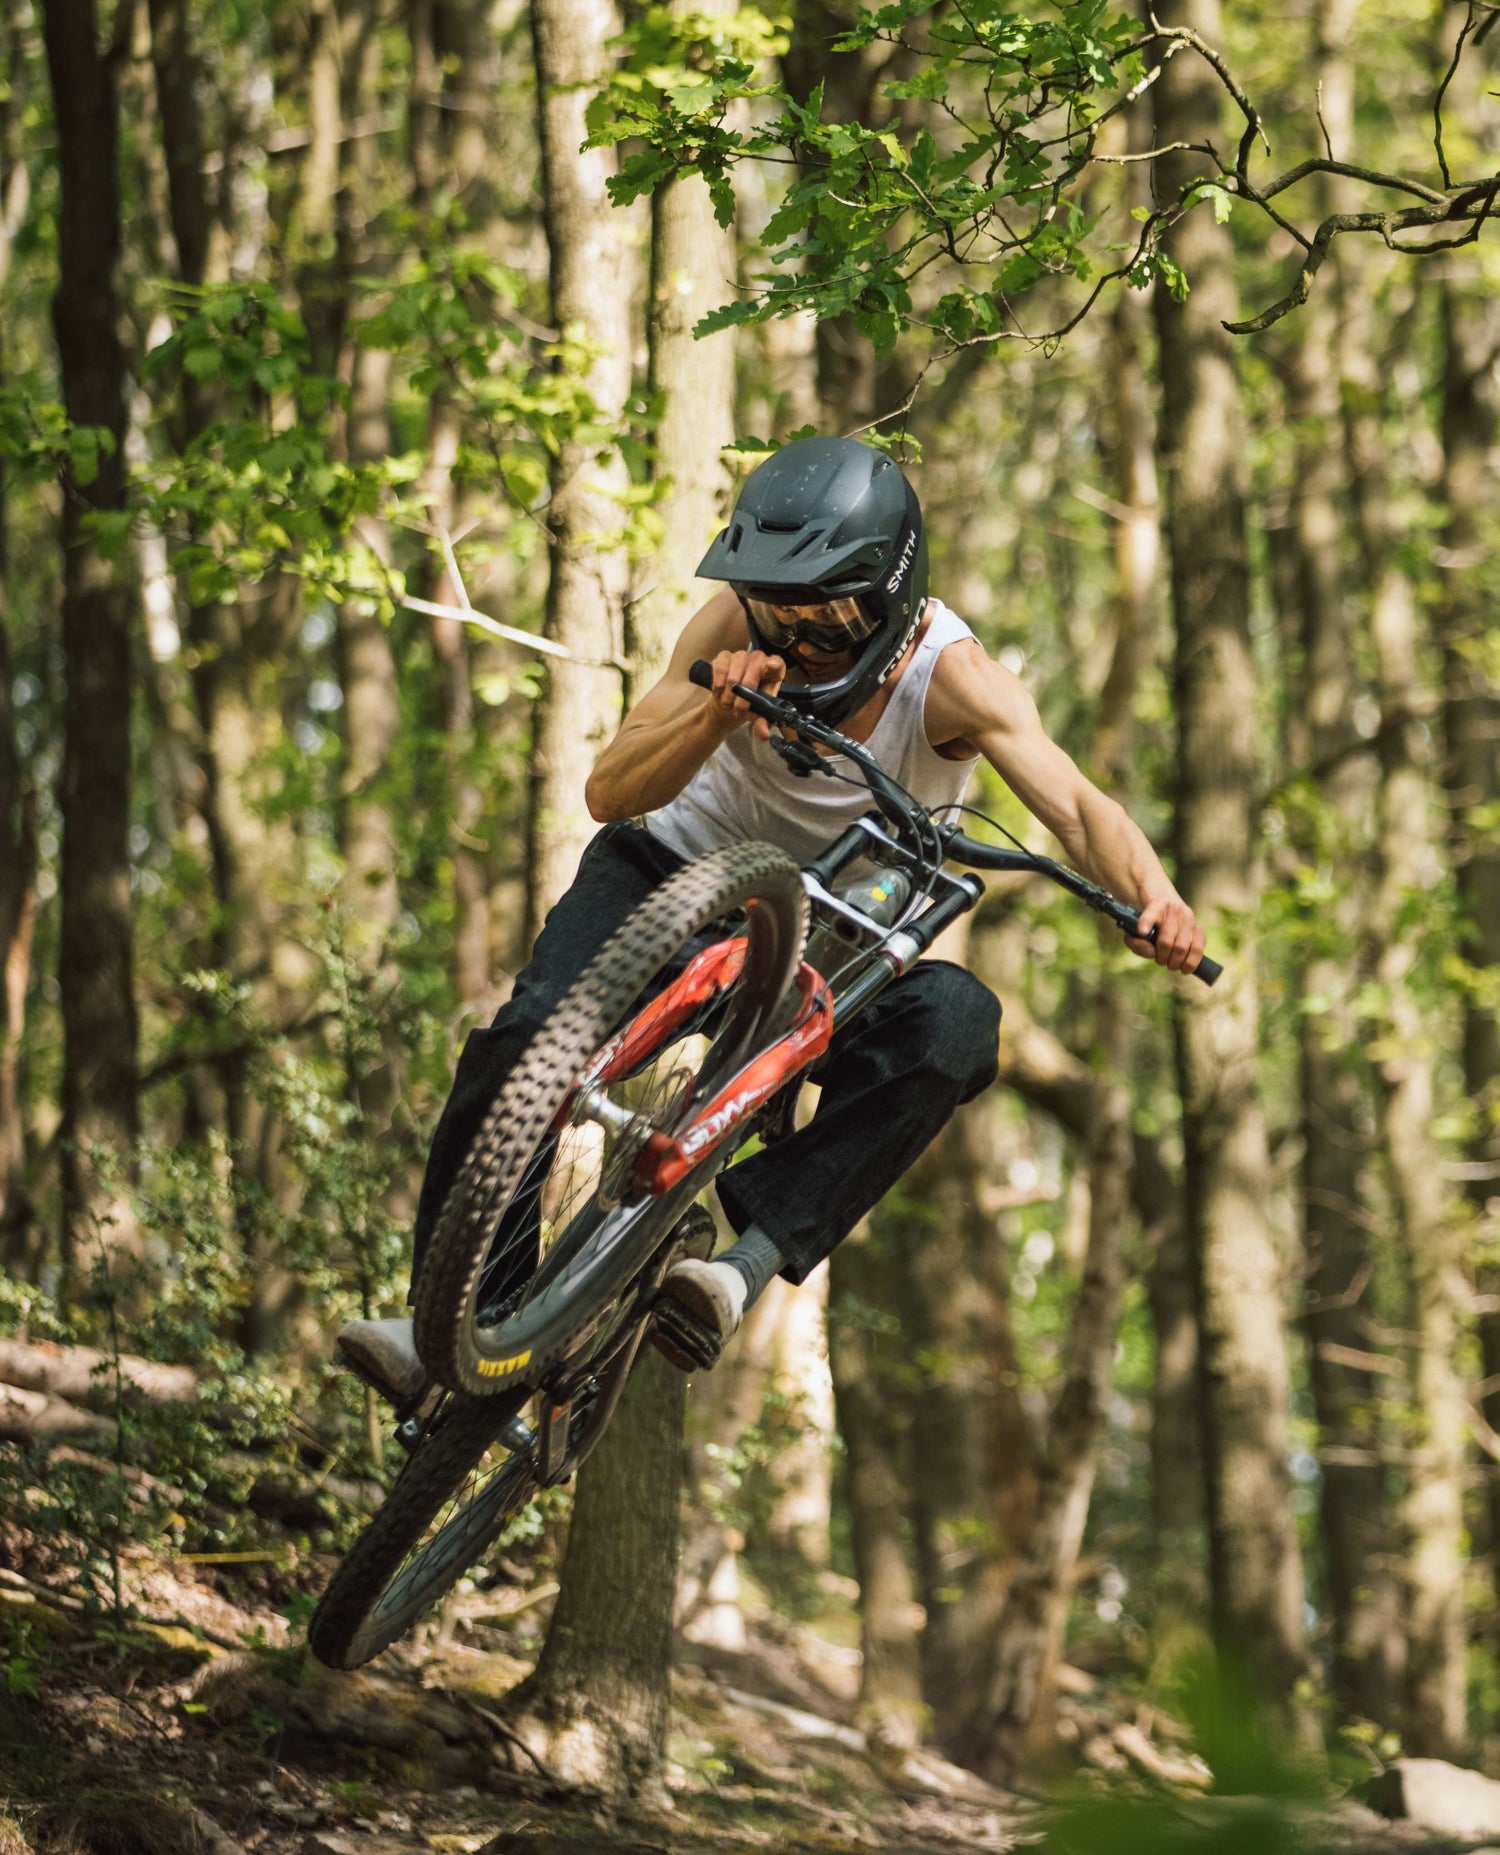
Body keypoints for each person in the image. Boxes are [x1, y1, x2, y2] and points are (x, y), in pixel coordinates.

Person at [339, 436, 1204, 1396]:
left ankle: (737, 1266)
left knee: (956, 1026)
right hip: (670, 870)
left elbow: (1081, 807)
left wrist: (1152, 895)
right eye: (779, 610)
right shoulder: (724, 626)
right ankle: (442, 1327)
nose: (798, 636)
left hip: (835, 934)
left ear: (887, 597)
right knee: (526, 1038)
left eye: (826, 614)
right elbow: (609, 788)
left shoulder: (952, 680)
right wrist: (712, 716)